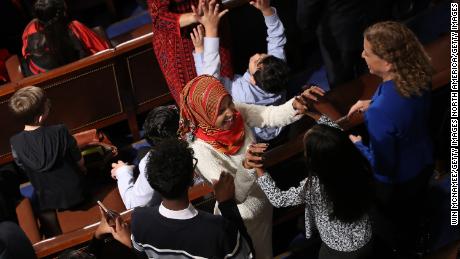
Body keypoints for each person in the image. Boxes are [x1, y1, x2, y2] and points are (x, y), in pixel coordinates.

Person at [179, 74, 324, 258]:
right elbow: (232, 196)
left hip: (263, 200)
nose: (230, 112)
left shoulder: (235, 112)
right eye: (220, 111)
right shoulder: (200, 149)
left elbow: (267, 115)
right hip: (243, 216)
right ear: (203, 115)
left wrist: (295, 105)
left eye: (229, 103)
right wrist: (247, 167)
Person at [347, 21, 434, 255]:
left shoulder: (380, 112)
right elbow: (402, 105)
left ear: (386, 62)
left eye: (367, 52)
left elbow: (384, 167)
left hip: (399, 183)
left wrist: (359, 146)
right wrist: (374, 102)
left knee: (397, 231)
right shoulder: (418, 73)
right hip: (425, 160)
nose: (362, 55)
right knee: (417, 212)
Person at [107, 139, 254, 258]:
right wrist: (227, 204)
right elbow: (248, 254)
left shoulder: (139, 219)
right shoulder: (219, 229)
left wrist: (128, 243)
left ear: (152, 183)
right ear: (192, 179)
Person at [254, 124, 373, 258]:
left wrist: (258, 167)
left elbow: (279, 199)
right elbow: (335, 134)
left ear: (313, 160)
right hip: (366, 237)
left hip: (338, 250)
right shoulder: (356, 162)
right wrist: (311, 112)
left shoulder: (314, 187)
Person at [191, 0, 289, 142]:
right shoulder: (276, 67)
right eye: (263, 55)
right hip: (277, 125)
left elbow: (209, 82)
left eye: (256, 61)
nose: (257, 55)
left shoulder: (240, 94)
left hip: (256, 136)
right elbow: (277, 39)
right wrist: (266, 10)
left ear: (253, 80)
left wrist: (202, 48)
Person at [9, 86, 86, 237]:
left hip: (47, 199)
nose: (49, 105)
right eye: (47, 105)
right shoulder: (60, 130)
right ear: (40, 117)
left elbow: (22, 166)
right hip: (77, 193)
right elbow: (80, 162)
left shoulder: (15, 142)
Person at [146, 0, 233, 104]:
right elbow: (160, 19)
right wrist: (195, 16)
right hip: (179, 44)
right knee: (194, 101)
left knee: (226, 91)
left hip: (212, 21)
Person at [111, 105, 180, 209]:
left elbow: (134, 205)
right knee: (141, 152)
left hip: (167, 207)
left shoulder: (153, 161)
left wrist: (122, 172)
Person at [296, 0, 373, 88]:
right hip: (367, 23)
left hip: (336, 34)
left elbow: (307, 10)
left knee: (340, 81)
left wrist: (306, 27)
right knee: (368, 72)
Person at [22, 0, 109, 75]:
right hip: (89, 80)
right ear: (64, 12)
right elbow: (105, 53)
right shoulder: (75, 29)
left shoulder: (28, 33)